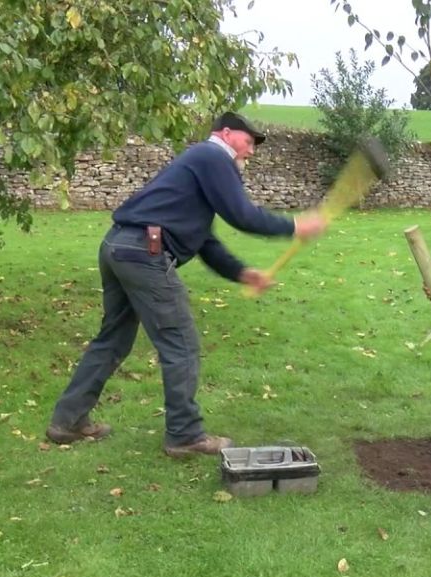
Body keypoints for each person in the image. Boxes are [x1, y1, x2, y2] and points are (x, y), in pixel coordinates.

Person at [45, 112, 328, 458]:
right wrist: (295, 225)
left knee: (112, 339)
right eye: (249, 141)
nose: (251, 151)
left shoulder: (197, 163)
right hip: (143, 253)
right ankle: (184, 434)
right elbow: (243, 215)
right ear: (226, 133)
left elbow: (203, 239)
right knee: (181, 344)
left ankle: (67, 421)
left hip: (119, 246)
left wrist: (241, 272)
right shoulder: (213, 156)